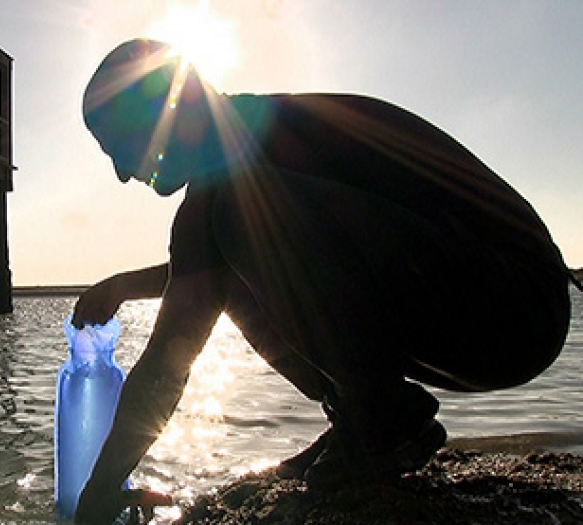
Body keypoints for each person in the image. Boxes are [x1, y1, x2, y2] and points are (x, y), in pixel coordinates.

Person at [71, 39, 576, 524]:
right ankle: (357, 415)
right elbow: (220, 272)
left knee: (236, 219)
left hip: (519, 301)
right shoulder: (235, 156)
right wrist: (122, 286)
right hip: (487, 299)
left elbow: (168, 358)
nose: (120, 172)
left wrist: (95, 496)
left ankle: (380, 418)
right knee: (232, 242)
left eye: (119, 144)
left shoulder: (241, 166)